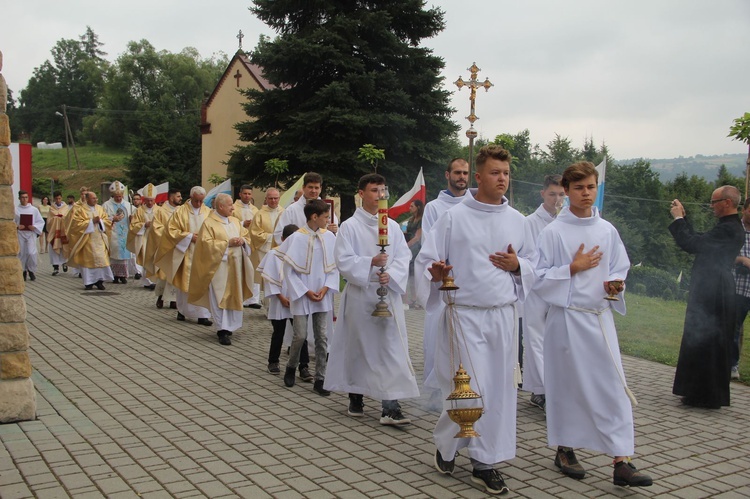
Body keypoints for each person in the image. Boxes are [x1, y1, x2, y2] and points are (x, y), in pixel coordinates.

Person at [416, 146, 533, 495]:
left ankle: (484, 461)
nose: (502, 179)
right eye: (495, 173)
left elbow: (535, 266)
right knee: (469, 390)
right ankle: (450, 445)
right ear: (479, 177)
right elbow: (427, 259)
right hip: (463, 315)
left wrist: (518, 267)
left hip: (502, 317)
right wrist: (434, 273)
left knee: (496, 391)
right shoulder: (453, 217)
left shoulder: (519, 221)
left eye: (506, 173)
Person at [534, 161, 652, 487]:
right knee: (568, 387)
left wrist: (615, 283)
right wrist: (572, 268)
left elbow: (619, 266)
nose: (586, 194)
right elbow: (539, 279)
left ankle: (622, 459)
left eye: (591, 187)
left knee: (613, 387)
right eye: (579, 188)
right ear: (567, 191)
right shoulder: (553, 232)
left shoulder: (607, 230)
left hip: (600, 319)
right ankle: (565, 449)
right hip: (568, 319)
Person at [326, 174, 419, 423]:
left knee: (391, 348)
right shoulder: (349, 227)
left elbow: (403, 256)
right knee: (359, 347)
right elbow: (343, 260)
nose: (379, 195)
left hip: (387, 294)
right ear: (361, 194)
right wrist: (370, 263)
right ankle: (356, 394)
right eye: (374, 190)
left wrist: (391, 273)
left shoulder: (392, 226)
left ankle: (390, 405)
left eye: (382, 190)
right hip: (361, 294)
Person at [669, 185, 744, 408]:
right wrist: (683, 218)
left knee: (708, 338)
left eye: (714, 202)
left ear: (727, 203)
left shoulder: (730, 229)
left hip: (715, 290)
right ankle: (696, 390)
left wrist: (678, 220)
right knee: (700, 336)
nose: (711, 206)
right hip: (711, 286)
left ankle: (706, 394)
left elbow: (693, 244)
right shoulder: (726, 227)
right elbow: (700, 239)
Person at [276, 200, 339, 396]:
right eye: (326, 217)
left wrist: (326, 287)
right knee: (300, 335)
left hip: (322, 294)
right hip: (302, 294)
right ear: (314, 217)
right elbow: (289, 270)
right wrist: (305, 291)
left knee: (322, 337)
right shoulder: (296, 238)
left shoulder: (329, 237)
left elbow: (334, 266)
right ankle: (291, 366)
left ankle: (321, 378)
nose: (329, 221)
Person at [421, 158, 472, 391]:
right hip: (445, 282)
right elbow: (429, 246)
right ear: (447, 175)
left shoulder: (475, 205)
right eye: (458, 173)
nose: (462, 177)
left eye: (465, 173)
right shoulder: (434, 208)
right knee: (437, 339)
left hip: (471, 285)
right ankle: (435, 391)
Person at [521, 174, 565, 411]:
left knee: (557, 339)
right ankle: (543, 391)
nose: (557, 199)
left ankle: (552, 388)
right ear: (542, 194)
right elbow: (530, 256)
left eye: (561, 194)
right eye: (552, 194)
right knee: (536, 339)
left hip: (560, 285)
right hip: (537, 288)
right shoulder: (530, 222)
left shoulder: (567, 221)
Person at [189, 194, 254, 346]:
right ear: (220, 207)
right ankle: (222, 330)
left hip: (236, 266)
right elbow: (205, 245)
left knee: (234, 295)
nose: (233, 207)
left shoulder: (235, 221)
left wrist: (242, 241)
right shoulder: (209, 223)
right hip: (218, 267)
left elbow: (247, 237)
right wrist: (227, 243)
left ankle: (230, 326)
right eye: (230, 205)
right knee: (219, 297)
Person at [155, 186, 213, 326]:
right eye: (196, 201)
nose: (199, 204)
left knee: (202, 283)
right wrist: (188, 236)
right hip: (186, 251)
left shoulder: (208, 212)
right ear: (191, 197)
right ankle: (182, 311)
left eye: (201, 201)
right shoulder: (180, 212)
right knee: (185, 283)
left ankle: (203, 315)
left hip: (203, 252)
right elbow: (171, 230)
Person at [258, 224, 308, 374]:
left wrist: (298, 295)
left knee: (301, 333)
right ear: (283, 239)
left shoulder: (302, 254)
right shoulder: (274, 255)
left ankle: (303, 365)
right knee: (278, 332)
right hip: (280, 301)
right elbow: (269, 279)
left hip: (297, 299)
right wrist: (280, 297)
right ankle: (273, 361)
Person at [66, 191, 114, 290]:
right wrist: (92, 221)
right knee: (88, 261)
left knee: (102, 259)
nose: (95, 200)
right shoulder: (80, 210)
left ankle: (100, 281)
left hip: (99, 238)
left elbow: (106, 221)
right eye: (93, 198)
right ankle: (89, 282)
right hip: (87, 239)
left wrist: (102, 221)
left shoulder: (100, 208)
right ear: (87, 199)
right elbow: (76, 225)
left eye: (96, 198)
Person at [274, 172, 338, 245]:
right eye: (310, 187)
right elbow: (279, 234)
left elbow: (335, 232)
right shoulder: (292, 210)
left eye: (316, 188)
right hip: (299, 251)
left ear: (321, 188)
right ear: (303, 187)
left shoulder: (327, 209)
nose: (313, 191)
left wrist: (333, 231)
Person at [146, 188, 182, 305]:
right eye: (178, 196)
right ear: (171, 198)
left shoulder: (182, 211)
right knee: (164, 273)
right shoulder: (161, 211)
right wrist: (170, 236)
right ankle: (161, 297)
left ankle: (173, 300)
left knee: (176, 273)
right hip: (166, 247)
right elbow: (156, 228)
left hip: (179, 246)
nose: (180, 198)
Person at [250, 188, 285, 302]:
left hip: (281, 250)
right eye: (271, 198)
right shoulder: (259, 214)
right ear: (266, 199)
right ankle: (267, 303)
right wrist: (273, 237)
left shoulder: (284, 212)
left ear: (279, 198)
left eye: (276, 198)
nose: (273, 201)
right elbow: (255, 233)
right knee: (267, 277)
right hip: (264, 250)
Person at [233, 185, 262, 308]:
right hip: (238, 242)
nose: (247, 196)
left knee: (253, 270)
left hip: (252, 243)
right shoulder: (233, 208)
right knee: (240, 269)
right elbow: (229, 222)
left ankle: (253, 299)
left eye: (249, 194)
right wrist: (242, 223)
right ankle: (240, 298)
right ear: (240, 194)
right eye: (245, 193)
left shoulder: (255, 210)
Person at [732, 198, 750, 380]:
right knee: (734, 328)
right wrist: (742, 261)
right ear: (744, 210)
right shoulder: (736, 231)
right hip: (738, 286)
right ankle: (732, 366)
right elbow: (726, 254)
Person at [127, 185, 157, 288]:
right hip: (144, 238)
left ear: (154, 199)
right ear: (144, 199)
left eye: (151, 200)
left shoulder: (160, 210)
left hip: (156, 238)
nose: (149, 203)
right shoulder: (139, 211)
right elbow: (133, 226)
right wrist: (144, 225)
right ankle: (148, 281)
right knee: (146, 259)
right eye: (148, 200)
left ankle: (155, 280)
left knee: (155, 260)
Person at [102, 181, 132, 284]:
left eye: (120, 196)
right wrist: (112, 219)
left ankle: (123, 275)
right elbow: (103, 218)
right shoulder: (106, 205)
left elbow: (135, 216)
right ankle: (114, 275)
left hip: (124, 233)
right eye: (116, 196)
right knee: (114, 255)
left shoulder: (128, 205)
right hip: (113, 233)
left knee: (123, 255)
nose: (119, 198)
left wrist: (132, 218)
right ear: (113, 195)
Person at [15, 191, 45, 282]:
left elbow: (40, 221)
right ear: (19, 198)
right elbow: (12, 221)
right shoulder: (15, 210)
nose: (24, 199)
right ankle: (23, 271)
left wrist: (34, 227)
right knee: (22, 253)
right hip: (20, 233)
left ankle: (31, 270)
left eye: (26, 197)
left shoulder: (33, 210)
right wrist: (17, 226)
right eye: (22, 197)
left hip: (30, 233)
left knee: (31, 253)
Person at [405, 199, 424, 308]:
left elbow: (417, 237)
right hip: (410, 245)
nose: (410, 208)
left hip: (416, 247)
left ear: (418, 207)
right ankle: (412, 298)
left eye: (412, 206)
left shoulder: (421, 220)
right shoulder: (411, 220)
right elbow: (408, 233)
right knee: (410, 272)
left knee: (414, 272)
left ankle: (417, 299)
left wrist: (406, 246)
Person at [47, 191, 69, 275]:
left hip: (63, 230)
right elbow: (49, 220)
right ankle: (55, 267)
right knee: (54, 247)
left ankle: (64, 263)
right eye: (56, 199)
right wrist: (55, 218)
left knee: (64, 247)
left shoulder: (66, 208)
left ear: (62, 198)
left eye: (59, 198)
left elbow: (68, 218)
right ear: (54, 199)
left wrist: (62, 218)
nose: (58, 200)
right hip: (54, 230)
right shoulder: (52, 208)